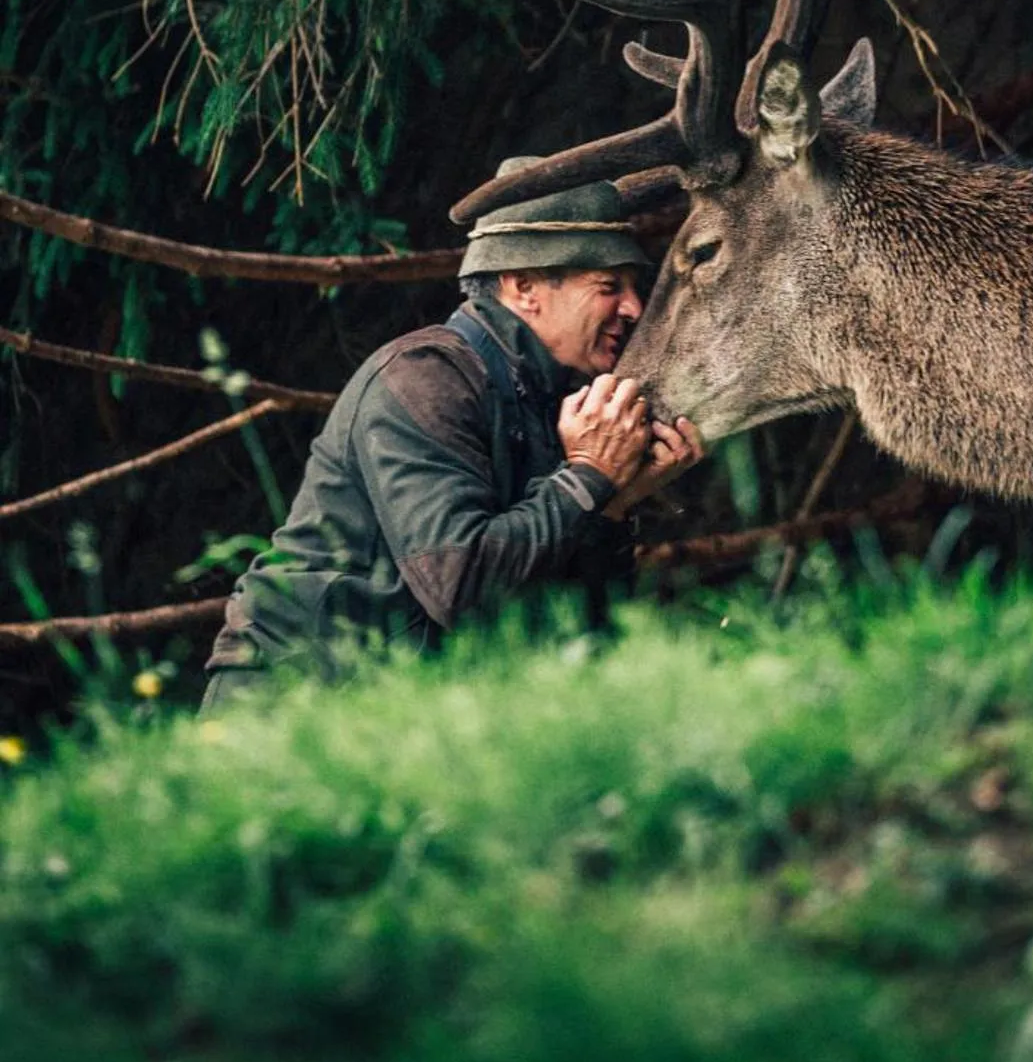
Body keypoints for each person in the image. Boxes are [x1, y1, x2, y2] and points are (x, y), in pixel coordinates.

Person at [199, 158, 701, 708]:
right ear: (525, 286)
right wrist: (587, 477)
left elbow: (573, 632)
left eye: (633, 287)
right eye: (609, 285)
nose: (633, 308)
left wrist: (611, 504)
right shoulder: (425, 376)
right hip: (292, 705)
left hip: (406, 714)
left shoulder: (556, 402)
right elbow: (459, 587)